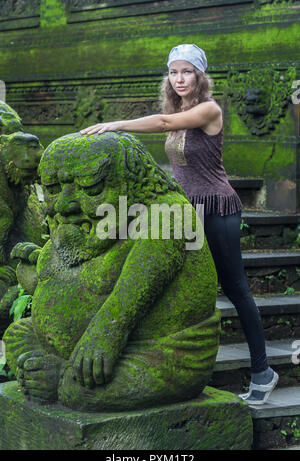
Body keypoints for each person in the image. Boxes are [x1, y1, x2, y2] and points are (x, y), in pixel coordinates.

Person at [80, 43, 279, 405]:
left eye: (187, 71)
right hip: (187, 211)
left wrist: (116, 124)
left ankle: (263, 372)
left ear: (200, 76)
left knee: (235, 289)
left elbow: (164, 123)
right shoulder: (179, 106)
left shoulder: (208, 109)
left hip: (217, 208)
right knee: (182, 285)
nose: (179, 78)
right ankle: (178, 373)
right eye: (173, 72)